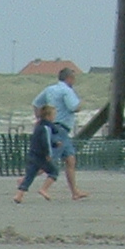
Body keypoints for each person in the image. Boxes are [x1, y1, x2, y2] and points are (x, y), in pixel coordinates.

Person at [32, 67, 88, 200]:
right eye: (73, 78)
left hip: (52, 127)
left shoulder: (50, 89)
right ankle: (26, 181)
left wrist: (39, 119)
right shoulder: (67, 91)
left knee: (70, 160)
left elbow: (36, 103)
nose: (74, 81)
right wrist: (80, 103)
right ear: (69, 78)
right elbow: (73, 107)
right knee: (50, 160)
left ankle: (75, 192)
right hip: (61, 129)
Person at [13, 105, 60, 203]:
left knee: (30, 175)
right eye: (53, 115)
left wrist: (54, 144)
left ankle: (19, 195)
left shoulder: (38, 126)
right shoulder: (45, 128)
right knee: (54, 171)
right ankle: (44, 189)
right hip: (41, 156)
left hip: (32, 154)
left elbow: (39, 141)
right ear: (48, 116)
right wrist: (48, 154)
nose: (54, 117)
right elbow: (45, 142)